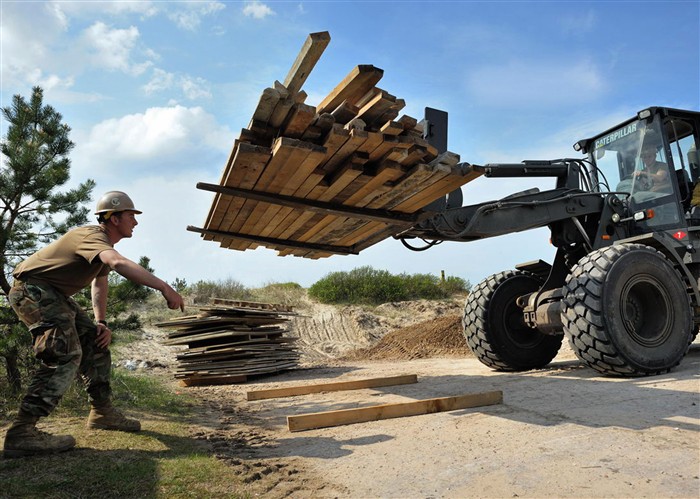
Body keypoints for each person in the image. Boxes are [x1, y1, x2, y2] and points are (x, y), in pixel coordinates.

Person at [3, 191, 185, 458]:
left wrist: (101, 322)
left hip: (54, 294)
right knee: (63, 354)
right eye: (131, 216)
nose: (136, 222)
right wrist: (164, 288)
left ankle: (102, 412)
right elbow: (118, 263)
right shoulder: (91, 237)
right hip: (33, 290)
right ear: (113, 218)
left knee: (95, 342)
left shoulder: (100, 246)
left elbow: (99, 281)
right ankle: (22, 432)